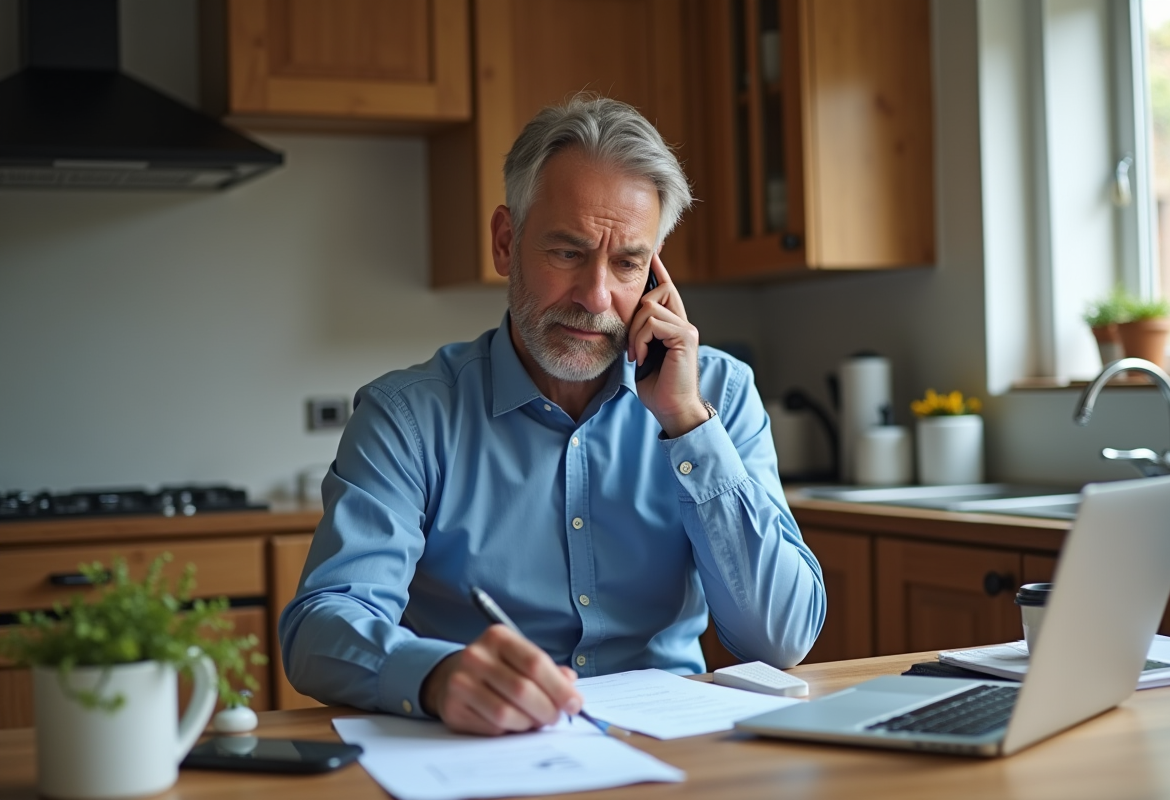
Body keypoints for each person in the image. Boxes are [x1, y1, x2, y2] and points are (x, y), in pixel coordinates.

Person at [280, 94, 826, 736]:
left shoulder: (718, 395)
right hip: (483, 751)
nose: (596, 296)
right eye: (567, 253)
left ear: (655, 275)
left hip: (677, 754)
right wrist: (435, 676)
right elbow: (321, 625)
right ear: (507, 243)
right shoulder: (409, 416)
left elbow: (783, 639)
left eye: (627, 263)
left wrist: (687, 423)